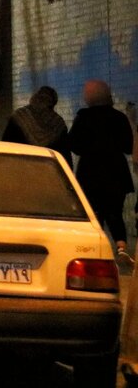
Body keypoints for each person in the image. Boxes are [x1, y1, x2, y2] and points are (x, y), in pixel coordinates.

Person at [68, 80, 134, 260]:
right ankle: (121, 246)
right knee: (115, 210)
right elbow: (128, 146)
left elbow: (74, 145)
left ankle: (97, 249)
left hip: (90, 172)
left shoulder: (83, 118)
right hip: (116, 172)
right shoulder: (119, 117)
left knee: (93, 212)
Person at [2, 86, 71, 160]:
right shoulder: (58, 124)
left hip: (19, 166)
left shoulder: (19, 116)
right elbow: (65, 157)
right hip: (47, 169)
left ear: (34, 98)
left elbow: (6, 146)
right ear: (53, 102)